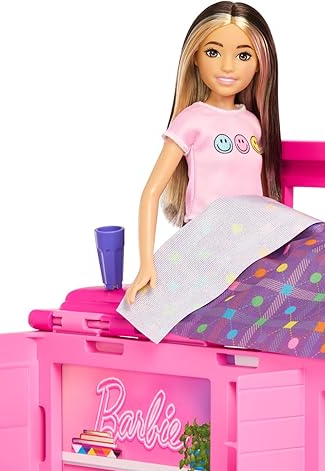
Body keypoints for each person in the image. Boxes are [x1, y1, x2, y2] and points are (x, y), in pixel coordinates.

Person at [126, 2, 281, 305]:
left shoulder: (253, 123)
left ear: (260, 64)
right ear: (195, 57)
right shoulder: (192, 120)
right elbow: (151, 192)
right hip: (205, 240)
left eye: (243, 55)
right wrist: (147, 263)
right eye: (213, 52)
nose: (227, 66)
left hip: (250, 242)